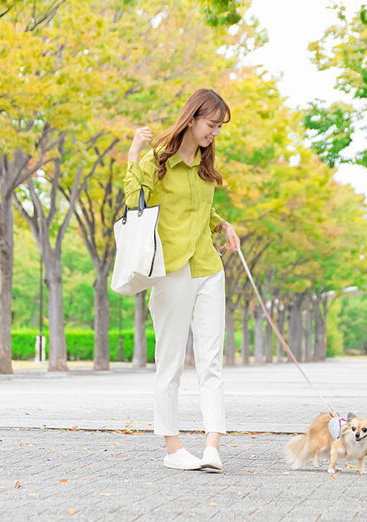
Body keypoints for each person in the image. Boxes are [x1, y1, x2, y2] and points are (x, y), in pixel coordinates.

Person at [124, 88, 240, 471]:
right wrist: (133, 152)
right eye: (211, 124)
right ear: (191, 119)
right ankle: (173, 448)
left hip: (208, 268)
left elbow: (200, 213)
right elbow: (132, 200)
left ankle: (213, 446)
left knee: (212, 362)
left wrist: (223, 225)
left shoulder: (206, 171)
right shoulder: (158, 163)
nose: (214, 133)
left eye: (219, 127)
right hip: (171, 270)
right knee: (170, 361)